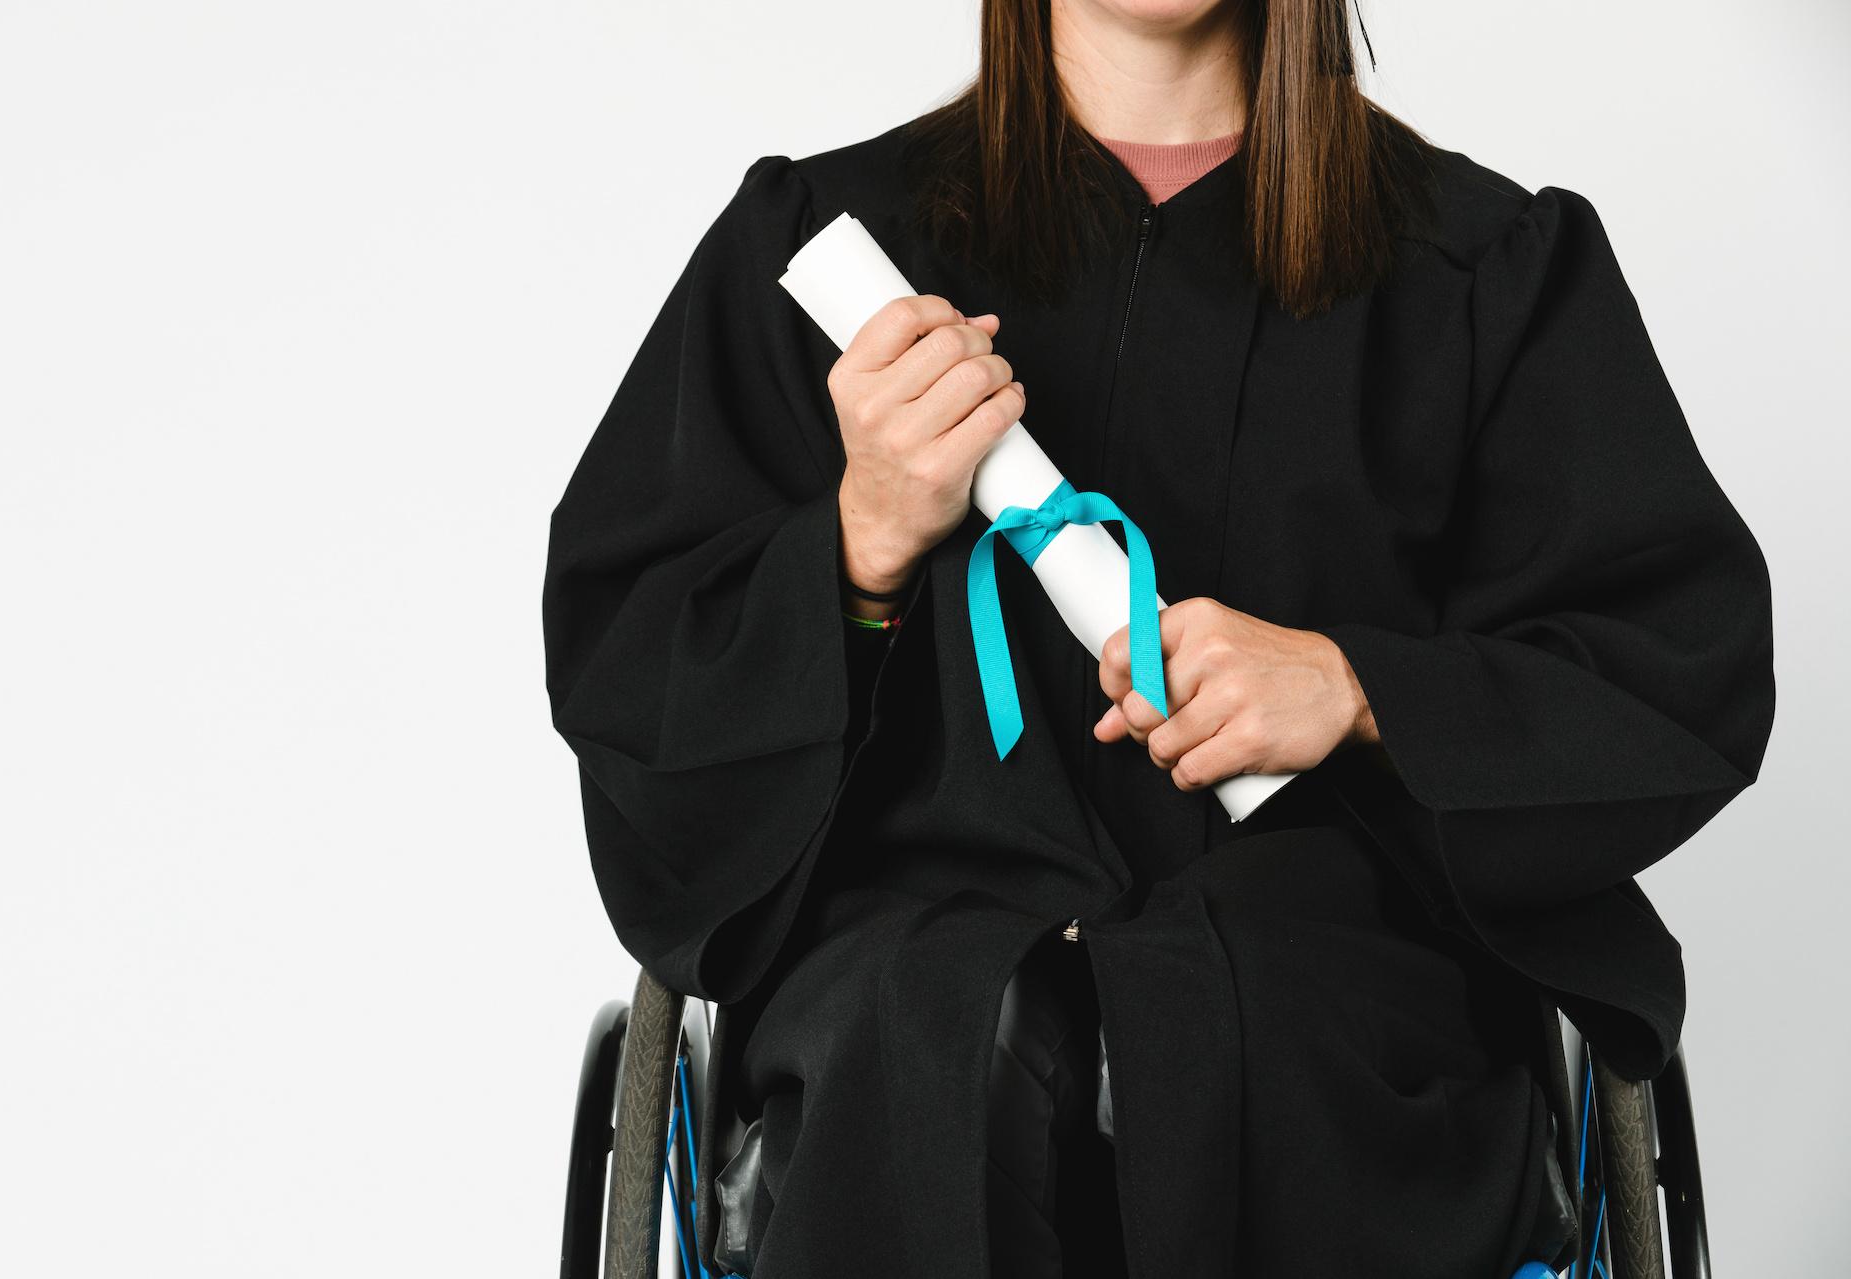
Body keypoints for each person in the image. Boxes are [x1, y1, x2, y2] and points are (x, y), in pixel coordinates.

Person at [541, 0, 1776, 1273]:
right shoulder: (830, 262)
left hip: (1342, 1023)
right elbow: (633, 678)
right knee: (949, 1035)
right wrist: (859, 542)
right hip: (907, 1015)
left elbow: (1679, 665)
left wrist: (1360, 692)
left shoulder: (1484, 269)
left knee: (1232, 1038)